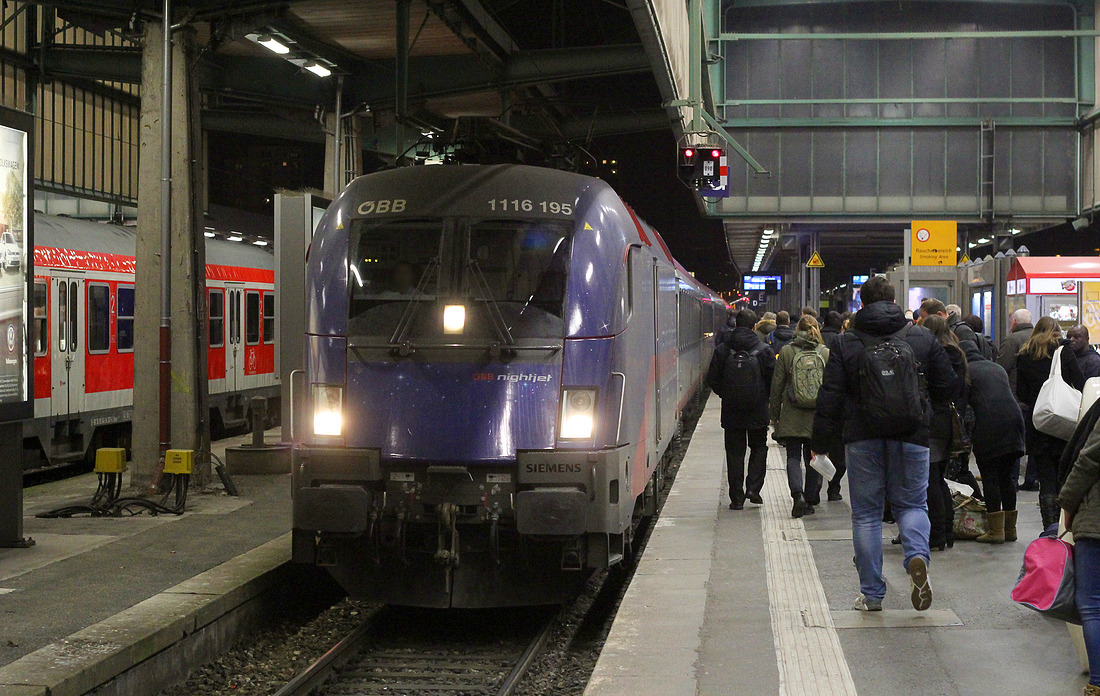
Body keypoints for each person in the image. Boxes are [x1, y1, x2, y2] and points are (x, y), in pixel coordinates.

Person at [812, 275, 957, 612]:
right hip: (913, 435)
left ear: (861, 303)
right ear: (895, 300)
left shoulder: (847, 342)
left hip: (862, 437)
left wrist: (819, 443)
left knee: (865, 516)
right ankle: (917, 558)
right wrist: (923, 406)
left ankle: (873, 594)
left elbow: (829, 398)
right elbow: (948, 386)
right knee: (912, 505)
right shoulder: (921, 337)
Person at [707, 308, 775, 510]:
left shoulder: (722, 349)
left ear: (736, 324)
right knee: (759, 447)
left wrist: (726, 394)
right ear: (755, 326)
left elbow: (712, 379)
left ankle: (736, 498)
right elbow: (773, 380)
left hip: (731, 411)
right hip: (758, 410)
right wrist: (764, 397)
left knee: (735, 452)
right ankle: (753, 489)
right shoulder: (764, 350)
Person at [960, 339, 1025, 543]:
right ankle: (1010, 529)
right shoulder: (996, 368)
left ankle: (996, 532)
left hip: (989, 424)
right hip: (1014, 421)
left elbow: (964, 407)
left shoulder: (966, 372)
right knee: (1006, 476)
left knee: (990, 477)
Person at [770, 315, 829, 518]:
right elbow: (831, 388)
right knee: (813, 457)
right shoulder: (825, 352)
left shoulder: (786, 351)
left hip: (792, 413)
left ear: (797, 329)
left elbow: (777, 386)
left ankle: (798, 496)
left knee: (793, 457)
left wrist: (774, 415)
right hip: (817, 416)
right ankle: (811, 499)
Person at [1056, 419, 1100, 696]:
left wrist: (1067, 504)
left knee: (1093, 604)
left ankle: (1097, 681)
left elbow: (1088, 460)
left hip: (1096, 524)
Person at [1016, 316, 1071, 529]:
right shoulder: (1063, 352)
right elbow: (1079, 381)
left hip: (1038, 422)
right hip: (1063, 422)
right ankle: (1065, 525)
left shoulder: (1025, 355)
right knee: (1064, 476)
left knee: (1046, 478)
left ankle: (1049, 527)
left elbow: (1021, 392)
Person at [921, 315, 968, 551]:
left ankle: (937, 533)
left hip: (935, 420)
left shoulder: (937, 355)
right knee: (939, 478)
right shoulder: (957, 353)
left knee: (930, 478)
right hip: (949, 421)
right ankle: (947, 530)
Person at [999, 308, 1037, 489]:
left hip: (1015, 398)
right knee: (1034, 441)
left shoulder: (1012, 340)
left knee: (1015, 443)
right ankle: (1032, 478)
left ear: (1014, 322)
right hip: (1036, 399)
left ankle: (1012, 479)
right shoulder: (1039, 339)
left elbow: (1002, 367)